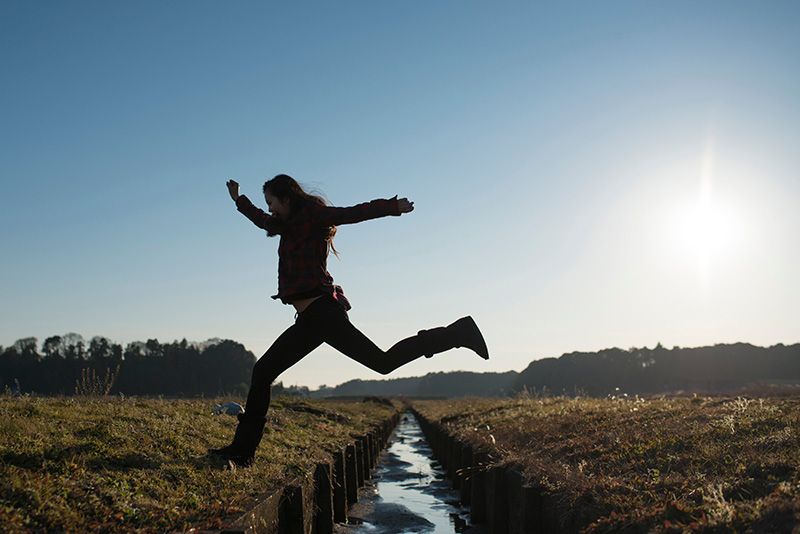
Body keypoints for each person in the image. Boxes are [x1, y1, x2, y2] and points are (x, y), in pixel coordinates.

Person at [211, 174, 489, 466]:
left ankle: (457, 333)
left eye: (272, 203)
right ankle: (242, 452)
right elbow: (259, 219)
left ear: (287, 198)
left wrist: (392, 207)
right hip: (311, 319)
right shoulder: (284, 224)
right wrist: (238, 199)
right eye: (267, 204)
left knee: (379, 363)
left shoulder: (313, 216)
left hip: (323, 315)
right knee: (265, 372)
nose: (269, 209)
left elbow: (353, 213)